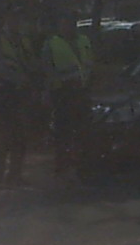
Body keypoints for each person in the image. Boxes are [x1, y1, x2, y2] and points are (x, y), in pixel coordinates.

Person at [0, 8, 36, 188]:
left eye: (18, 18)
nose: (16, 21)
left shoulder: (24, 39)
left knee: (20, 135)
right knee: (2, 134)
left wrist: (30, 80)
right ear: (6, 18)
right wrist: (19, 79)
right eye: (12, 17)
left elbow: (30, 62)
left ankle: (15, 174)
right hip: (4, 90)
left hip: (22, 92)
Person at [41, 13, 94, 184]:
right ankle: (61, 168)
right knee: (63, 132)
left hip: (81, 91)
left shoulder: (84, 40)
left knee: (81, 132)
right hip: (62, 92)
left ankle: (79, 168)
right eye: (64, 24)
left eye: (71, 24)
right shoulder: (52, 43)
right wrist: (50, 89)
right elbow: (47, 70)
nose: (68, 27)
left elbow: (89, 63)